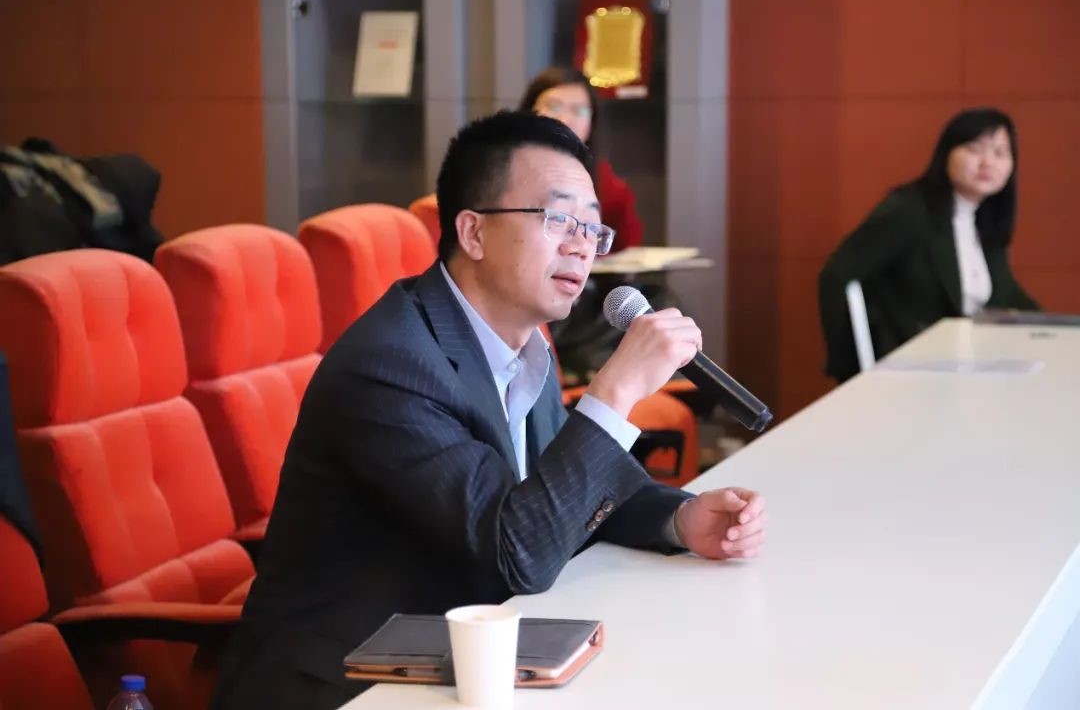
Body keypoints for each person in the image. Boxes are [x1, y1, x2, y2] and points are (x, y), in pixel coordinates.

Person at [212, 111, 767, 710]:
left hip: (461, 655)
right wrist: (614, 392)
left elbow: (562, 488)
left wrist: (679, 520)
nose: (581, 244)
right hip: (346, 683)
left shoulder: (525, 345)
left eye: (592, 226)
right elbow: (518, 551)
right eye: (558, 219)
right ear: (473, 232)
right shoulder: (393, 365)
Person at [819, 107, 1039, 382]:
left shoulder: (984, 221)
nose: (987, 163)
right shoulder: (908, 210)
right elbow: (837, 275)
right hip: (909, 372)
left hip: (966, 368)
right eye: (974, 149)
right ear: (945, 154)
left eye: (1000, 153)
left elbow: (1004, 294)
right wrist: (853, 368)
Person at [519, 66, 643, 253]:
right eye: (554, 107)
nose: (565, 119)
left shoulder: (608, 184)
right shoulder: (502, 170)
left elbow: (626, 247)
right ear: (529, 111)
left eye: (579, 111)